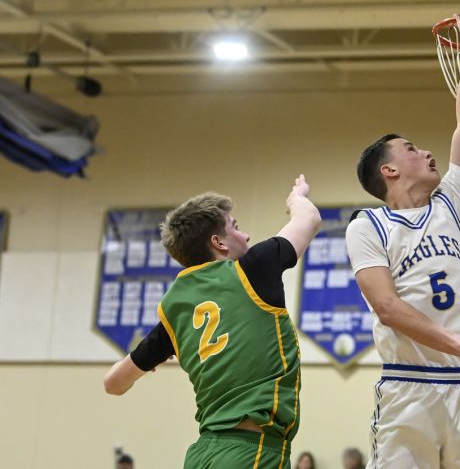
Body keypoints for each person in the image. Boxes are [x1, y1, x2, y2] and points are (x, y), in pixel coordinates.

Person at [345, 0, 460, 469]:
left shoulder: (451, 203)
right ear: (388, 170)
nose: (426, 152)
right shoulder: (368, 226)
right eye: (410, 149)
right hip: (410, 386)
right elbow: (388, 309)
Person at [104, 177, 321, 469]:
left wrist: (152, 358)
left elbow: (113, 384)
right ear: (218, 242)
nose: (246, 235)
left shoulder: (174, 310)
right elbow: (309, 218)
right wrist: (297, 197)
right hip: (250, 452)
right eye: (236, 227)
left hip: (201, 455)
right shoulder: (252, 268)